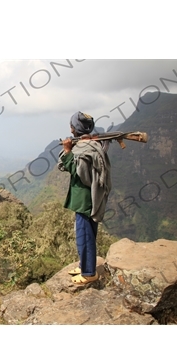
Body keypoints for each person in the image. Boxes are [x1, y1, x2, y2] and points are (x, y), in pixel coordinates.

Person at [58, 111, 112, 285]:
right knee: (86, 233)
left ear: (74, 128)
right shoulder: (92, 144)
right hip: (89, 197)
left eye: (71, 125)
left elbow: (77, 171)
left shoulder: (83, 148)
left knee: (84, 235)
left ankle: (89, 273)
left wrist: (67, 152)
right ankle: (84, 265)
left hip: (84, 199)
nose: (70, 128)